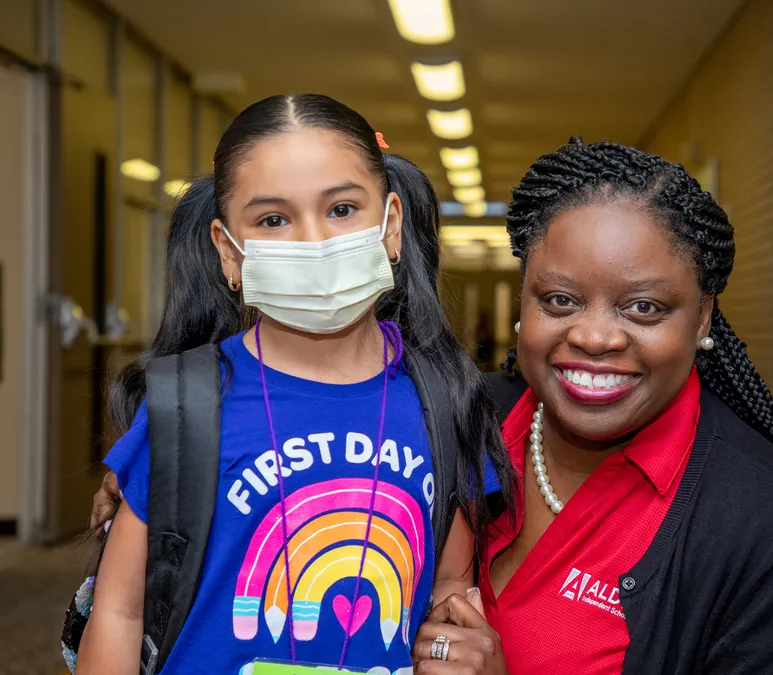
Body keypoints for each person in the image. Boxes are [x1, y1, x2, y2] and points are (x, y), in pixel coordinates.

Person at [410, 139, 773, 674]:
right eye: (560, 300)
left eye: (643, 307)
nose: (594, 336)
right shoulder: (457, 421)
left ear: (704, 318)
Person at [76, 94, 512, 675]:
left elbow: (451, 584)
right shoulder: (188, 405)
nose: (314, 241)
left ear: (391, 226)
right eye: (273, 220)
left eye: (341, 209)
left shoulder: (443, 398)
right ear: (228, 252)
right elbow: (121, 612)